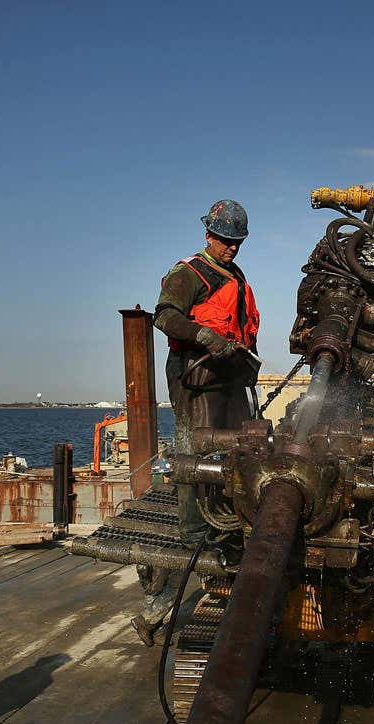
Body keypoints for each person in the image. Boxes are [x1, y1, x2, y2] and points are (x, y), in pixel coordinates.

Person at [132, 199, 260, 646]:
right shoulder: (188, 273)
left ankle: (226, 513)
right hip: (195, 374)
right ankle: (192, 528)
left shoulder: (235, 277)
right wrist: (203, 333)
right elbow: (165, 316)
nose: (231, 249)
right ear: (209, 235)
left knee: (239, 447)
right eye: (226, 241)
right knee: (194, 448)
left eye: (237, 243)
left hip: (228, 375)